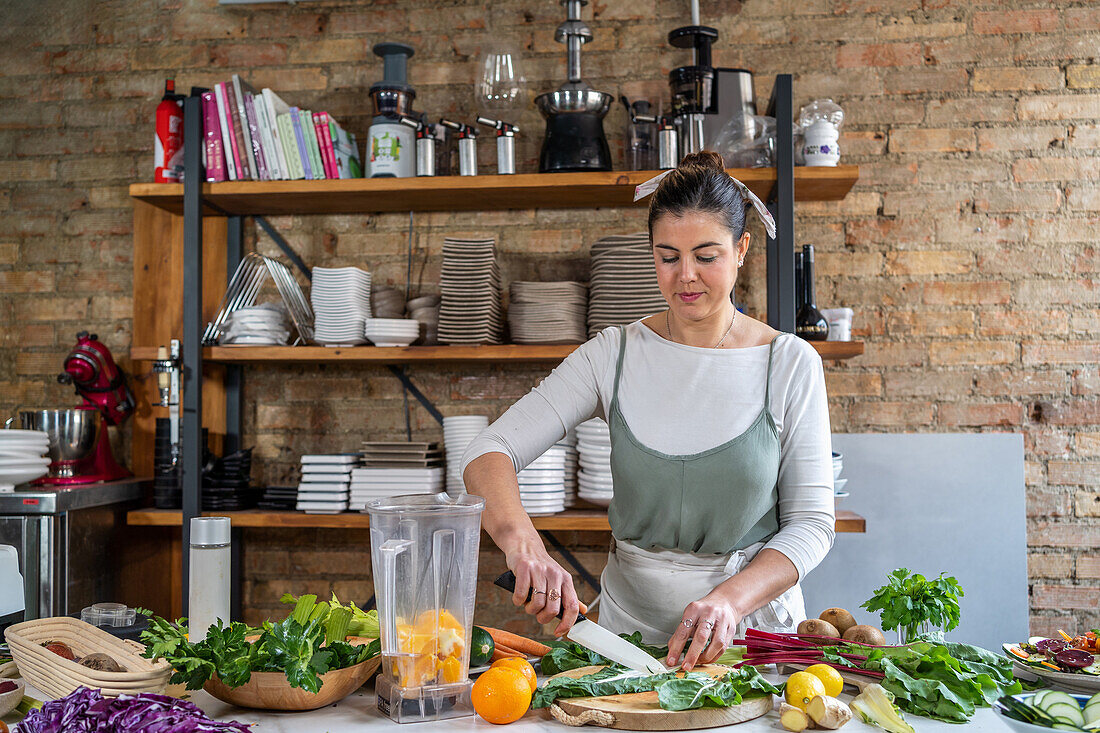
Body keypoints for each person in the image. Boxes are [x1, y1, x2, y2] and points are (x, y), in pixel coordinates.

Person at [461, 151, 834, 672]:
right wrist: (524, 545)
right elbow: (487, 453)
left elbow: (812, 524)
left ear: (742, 249)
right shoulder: (611, 354)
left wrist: (729, 601)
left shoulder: (790, 363)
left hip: (746, 642)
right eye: (668, 256)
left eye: (707, 256)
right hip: (621, 640)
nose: (686, 276)